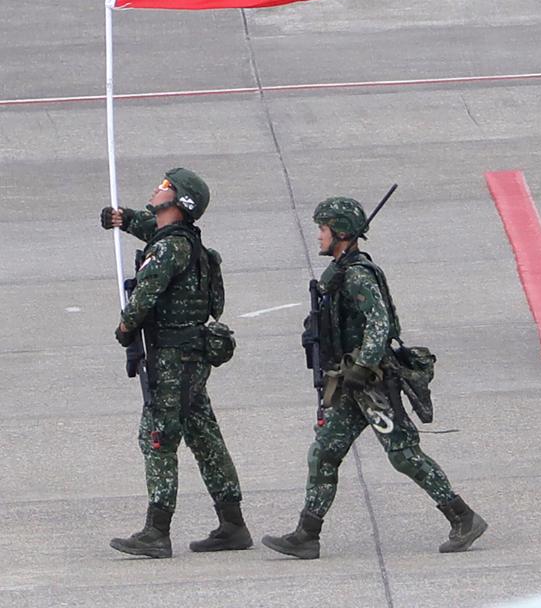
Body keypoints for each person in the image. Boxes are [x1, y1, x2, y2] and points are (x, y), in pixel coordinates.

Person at [263, 197, 486, 558]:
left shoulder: (356, 275)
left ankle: (463, 518)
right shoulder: (340, 271)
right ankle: (307, 534)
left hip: (371, 382)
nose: (318, 236)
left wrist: (362, 366)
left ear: (342, 233)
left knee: (404, 455)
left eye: (323, 229)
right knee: (324, 452)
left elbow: (379, 325)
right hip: (351, 382)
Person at [102, 168, 249, 558]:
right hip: (190, 357)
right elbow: (153, 229)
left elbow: (145, 295)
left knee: (157, 438)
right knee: (203, 434)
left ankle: (157, 531)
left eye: (166, 187)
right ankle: (232, 523)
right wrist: (124, 219)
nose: (158, 188)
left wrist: (125, 326)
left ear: (178, 203)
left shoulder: (169, 249)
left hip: (172, 358)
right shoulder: (181, 241)